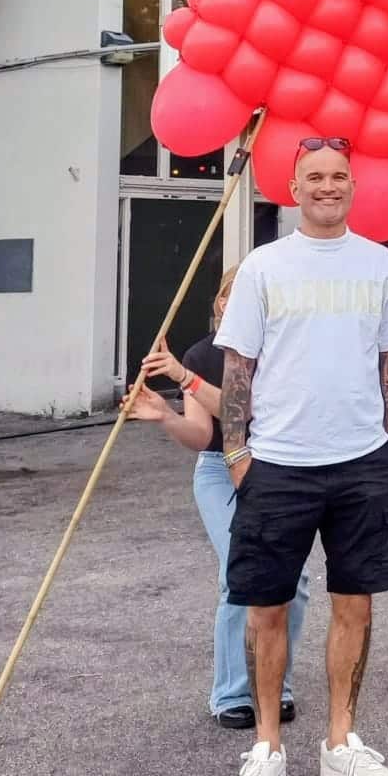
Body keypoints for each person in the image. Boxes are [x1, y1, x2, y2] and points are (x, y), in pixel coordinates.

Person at [213, 136, 388, 776]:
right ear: (292, 189)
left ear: (352, 185)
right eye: (314, 178)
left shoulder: (379, 263)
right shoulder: (264, 268)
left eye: (338, 176)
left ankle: (340, 741)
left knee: (354, 605)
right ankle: (266, 748)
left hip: (362, 463)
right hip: (277, 464)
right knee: (266, 608)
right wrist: (239, 455)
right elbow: (238, 367)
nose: (327, 187)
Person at [134, 273, 311, 731]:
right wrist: (165, 416)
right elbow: (201, 434)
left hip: (272, 467)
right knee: (243, 572)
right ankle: (233, 692)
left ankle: (276, 686)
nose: (240, 303)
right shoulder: (202, 354)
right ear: (221, 300)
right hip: (217, 470)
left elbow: (244, 407)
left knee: (295, 580)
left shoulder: (279, 349)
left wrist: (183, 378)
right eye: (233, 293)